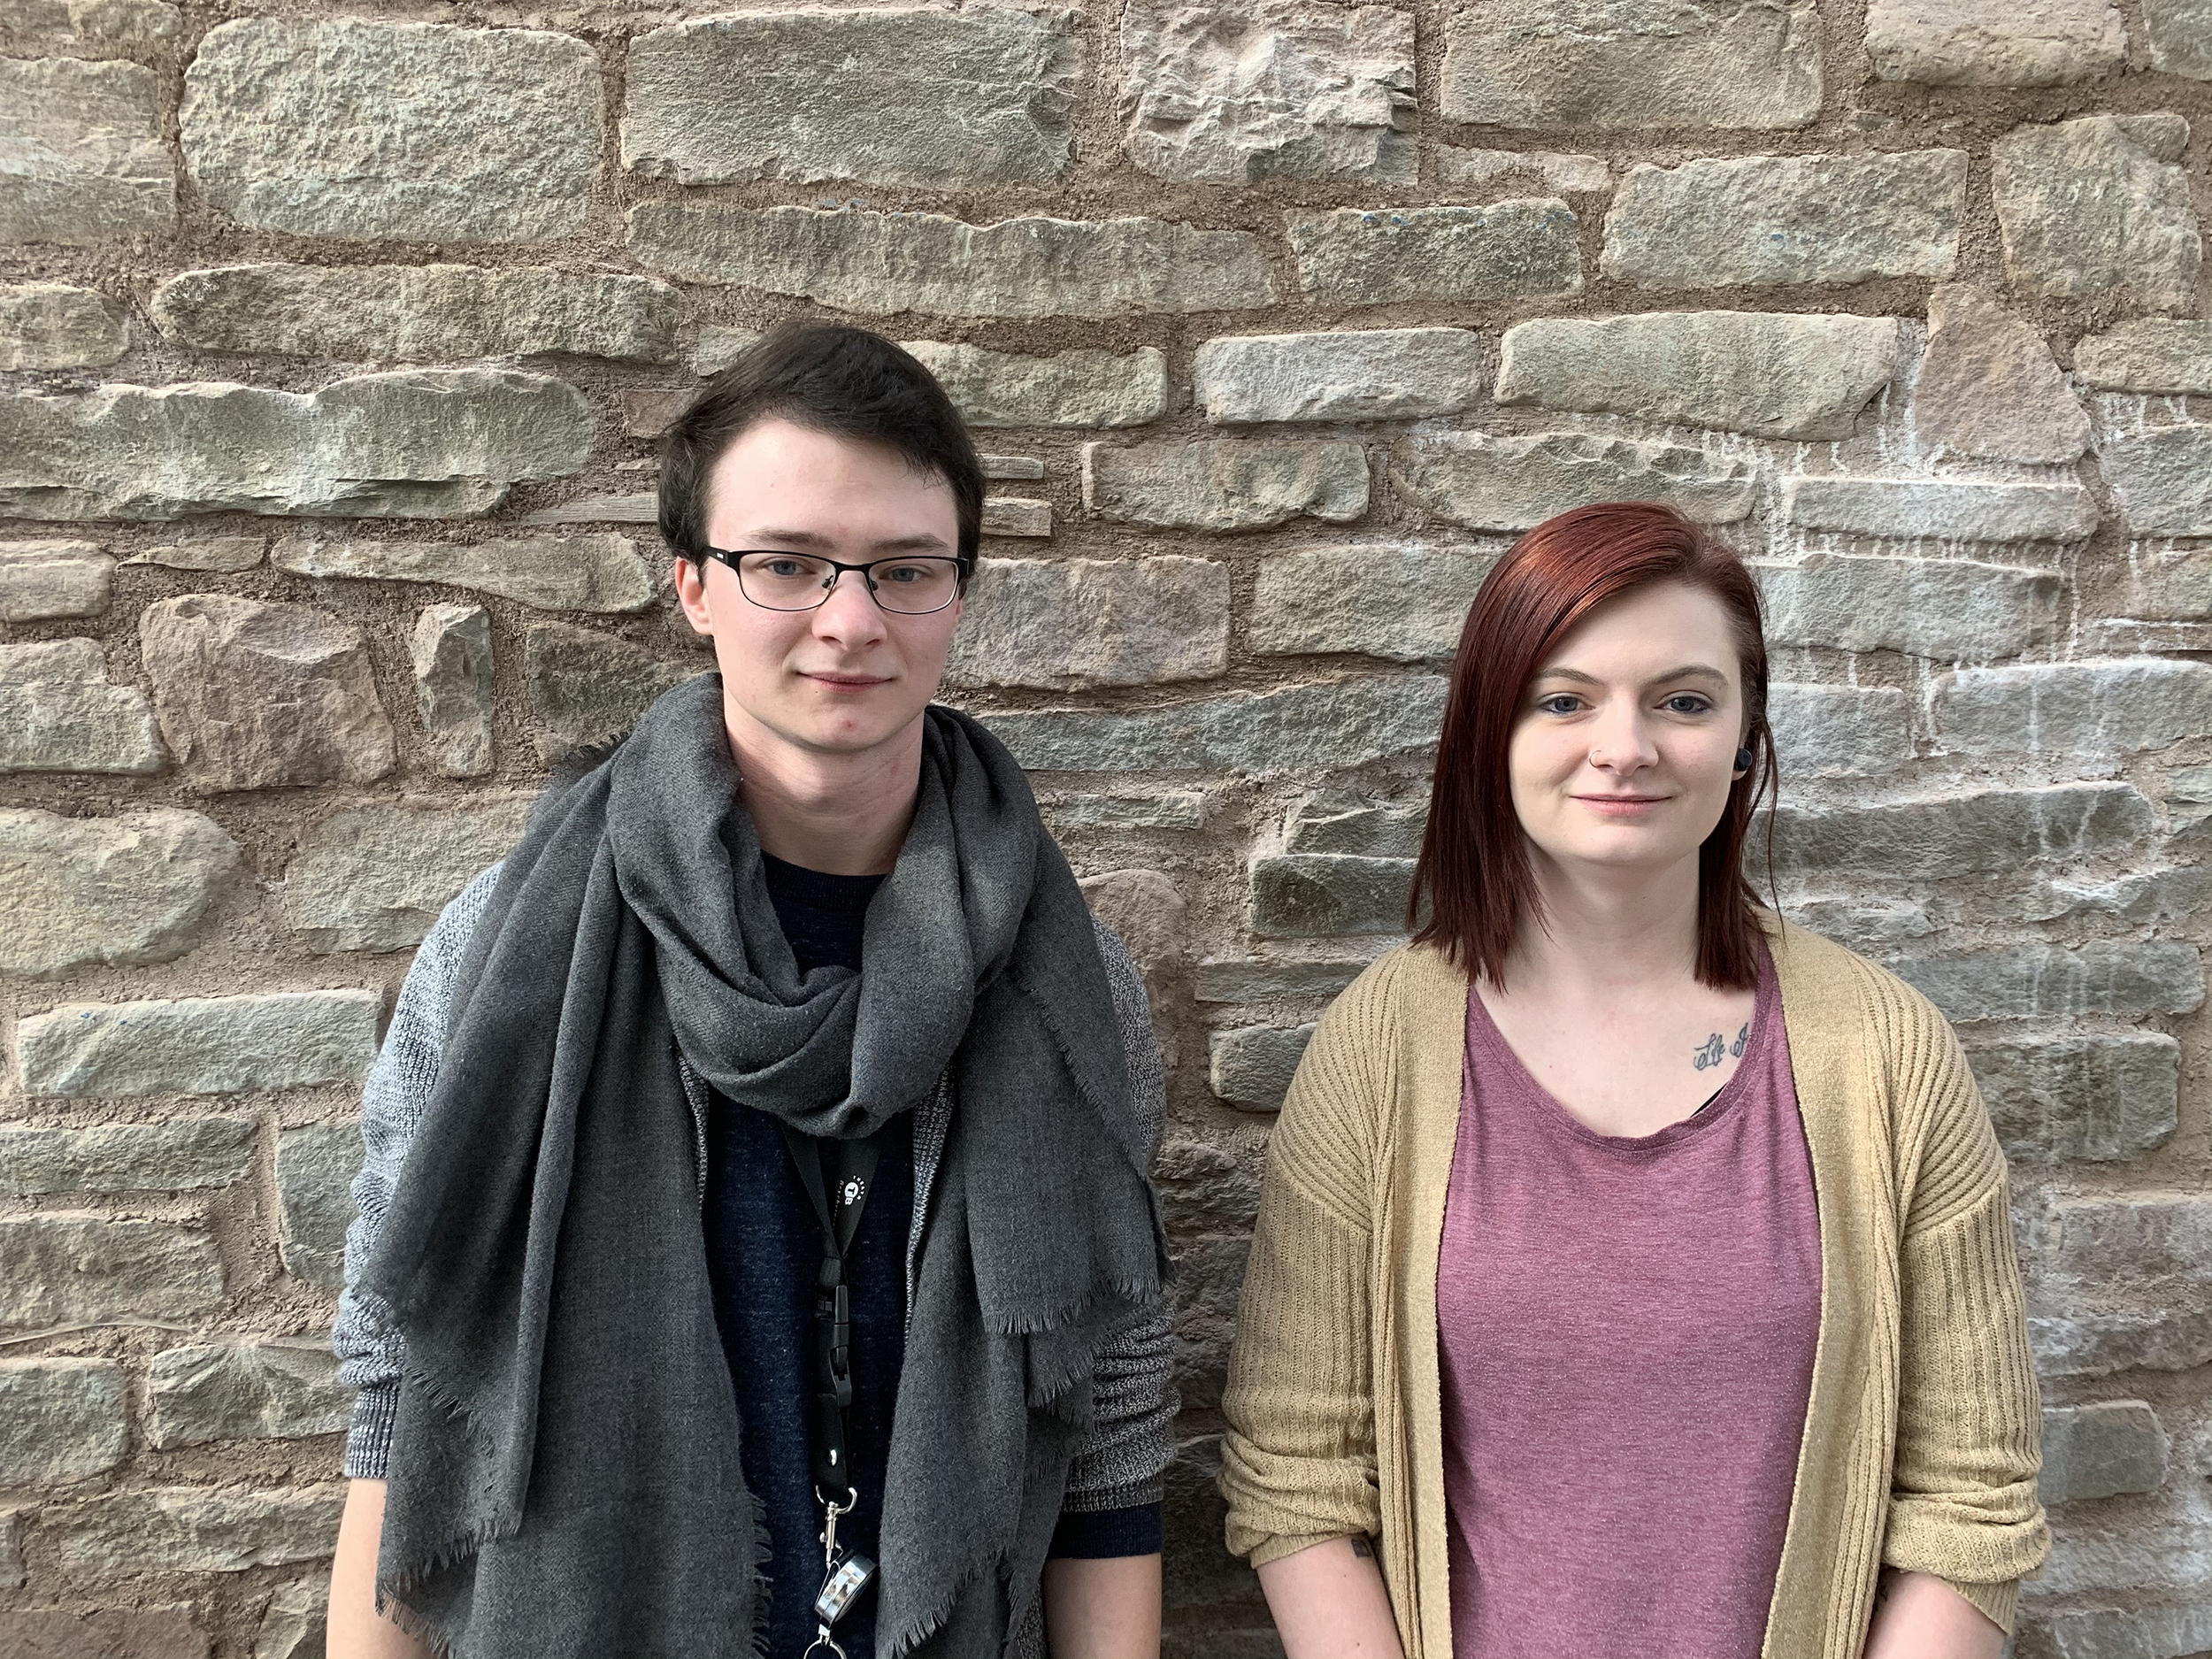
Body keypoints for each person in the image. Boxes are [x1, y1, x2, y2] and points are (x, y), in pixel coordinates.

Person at [326, 323, 1175, 1659]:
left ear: (958, 593)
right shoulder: (504, 957)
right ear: (692, 585)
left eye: (904, 571)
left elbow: (1111, 1416)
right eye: (786, 565)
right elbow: (403, 1366)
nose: (849, 621)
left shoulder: (1067, 982)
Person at [1217, 501, 2047, 1659]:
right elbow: (1296, 1476)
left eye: (1685, 701)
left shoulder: (1886, 1055)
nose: (1627, 746)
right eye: (1565, 699)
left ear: (1748, 739)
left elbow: (1971, 1504)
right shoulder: (1380, 1048)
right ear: (1489, 731)